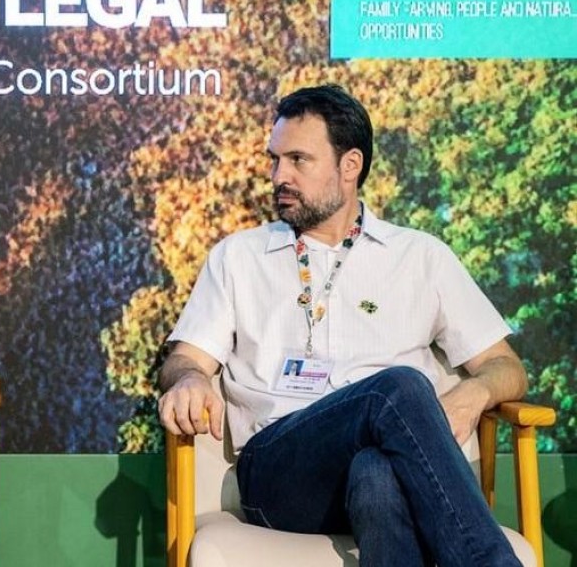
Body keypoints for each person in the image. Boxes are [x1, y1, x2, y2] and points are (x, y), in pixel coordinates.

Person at [157, 84, 528, 566]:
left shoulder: (421, 257)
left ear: (349, 165)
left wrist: (475, 393)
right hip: (281, 474)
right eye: (275, 160)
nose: (279, 176)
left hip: (382, 471)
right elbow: (185, 359)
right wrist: (188, 378)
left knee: (376, 473)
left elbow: (507, 368)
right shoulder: (238, 257)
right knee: (395, 388)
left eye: (298, 160)